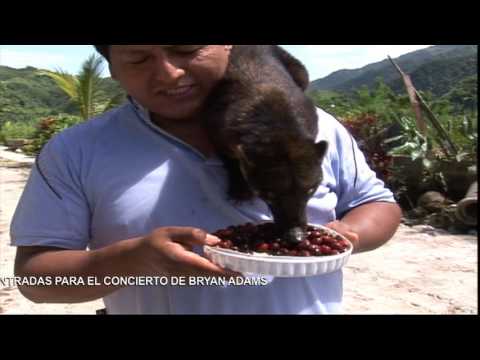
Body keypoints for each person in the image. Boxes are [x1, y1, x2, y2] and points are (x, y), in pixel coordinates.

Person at [11, 45, 402, 314]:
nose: (169, 72)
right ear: (111, 65)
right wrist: (130, 261)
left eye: (186, 48)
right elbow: (35, 280)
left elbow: (377, 203)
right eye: (138, 57)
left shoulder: (312, 131)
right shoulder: (77, 150)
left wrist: (349, 233)